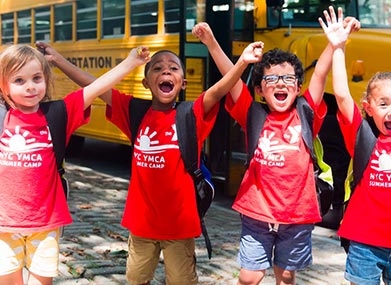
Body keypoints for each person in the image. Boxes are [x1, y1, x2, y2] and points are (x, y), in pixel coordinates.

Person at [36, 41, 264, 284]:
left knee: (182, 281)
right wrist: (58, 60)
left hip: (180, 226)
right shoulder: (134, 111)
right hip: (141, 224)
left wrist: (242, 62)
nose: (165, 72)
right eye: (157, 68)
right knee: (137, 279)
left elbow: (219, 90)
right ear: (146, 83)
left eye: (173, 68)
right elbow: (93, 86)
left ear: (183, 84)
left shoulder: (191, 114)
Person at [192, 7, 359, 285]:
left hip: (297, 214)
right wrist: (213, 44)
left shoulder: (306, 112)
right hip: (257, 212)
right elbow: (232, 84)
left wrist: (334, 44)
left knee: (286, 275)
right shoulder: (253, 113)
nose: (280, 83)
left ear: (297, 87)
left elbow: (319, 75)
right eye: (271, 79)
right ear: (259, 89)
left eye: (288, 78)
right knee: (249, 276)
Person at [0, 43, 151, 285]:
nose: (30, 86)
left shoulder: (57, 114)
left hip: (45, 224)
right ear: (3, 85)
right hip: (4, 225)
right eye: (19, 80)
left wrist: (131, 63)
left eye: (37, 78)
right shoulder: (2, 119)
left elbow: (96, 88)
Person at [322, 6, 391, 285]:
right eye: (383, 104)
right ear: (369, 108)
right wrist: (338, 47)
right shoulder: (361, 133)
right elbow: (343, 95)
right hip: (364, 243)